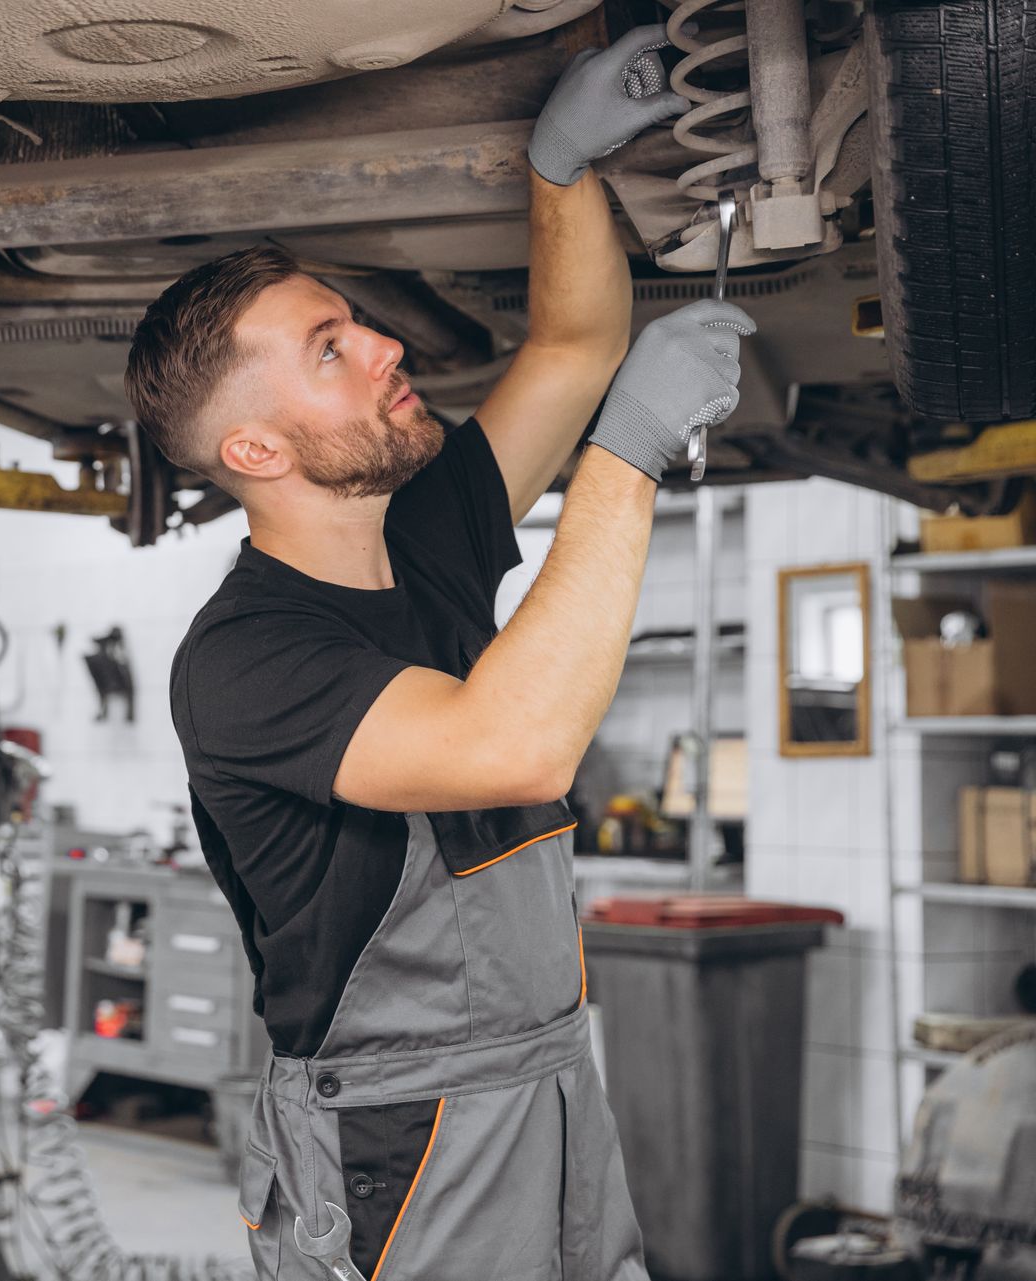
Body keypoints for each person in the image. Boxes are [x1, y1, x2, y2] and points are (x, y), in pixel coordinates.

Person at [124, 27, 754, 1281]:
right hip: (400, 1133)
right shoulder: (245, 659)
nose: (385, 346)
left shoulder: (425, 543)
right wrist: (623, 462)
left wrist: (561, 166)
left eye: (354, 324)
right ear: (254, 452)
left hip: (550, 1079)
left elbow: (570, 352)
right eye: (330, 350)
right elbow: (508, 745)